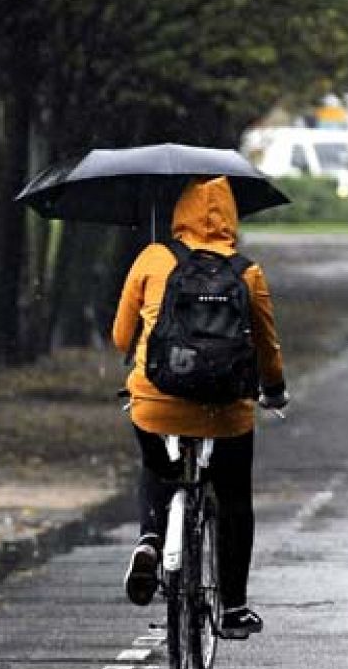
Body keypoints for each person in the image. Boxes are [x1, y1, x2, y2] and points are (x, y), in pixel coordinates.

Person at [110, 176, 287, 639]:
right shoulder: (247, 272)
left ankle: (150, 540)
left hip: (157, 401)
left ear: (180, 212)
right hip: (226, 413)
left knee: (156, 466)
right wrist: (275, 389)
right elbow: (266, 345)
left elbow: (119, 337)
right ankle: (232, 608)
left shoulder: (153, 258)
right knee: (233, 499)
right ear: (231, 216)